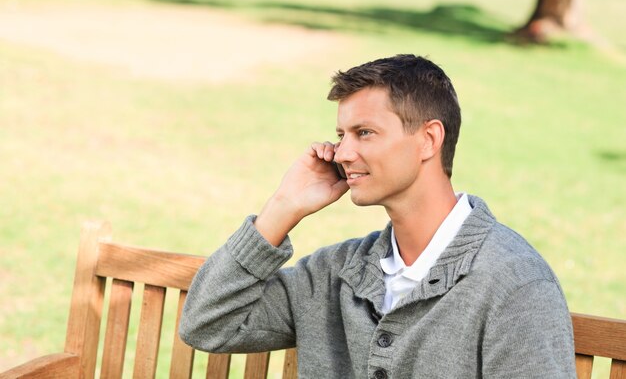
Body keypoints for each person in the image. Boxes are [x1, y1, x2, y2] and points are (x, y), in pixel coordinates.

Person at [179, 54, 576, 378]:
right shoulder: (335, 273)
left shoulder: (515, 283)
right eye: (340, 136)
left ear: (428, 139)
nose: (342, 153)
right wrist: (283, 206)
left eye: (364, 133)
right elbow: (206, 324)